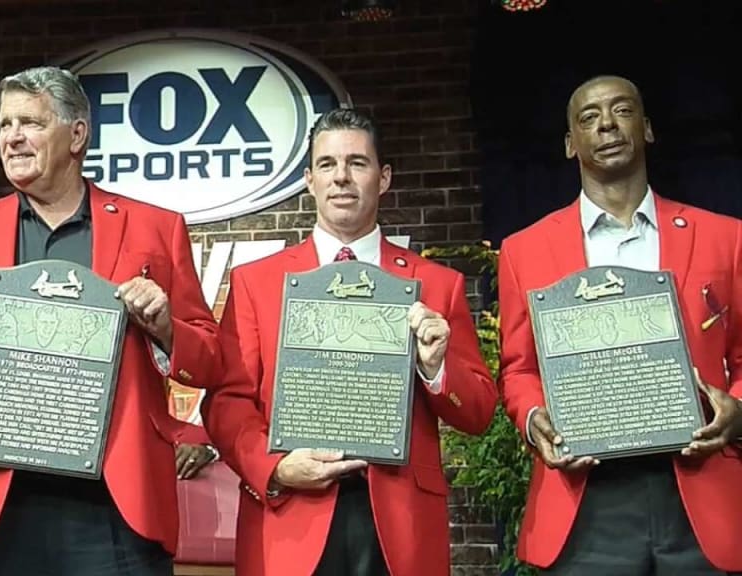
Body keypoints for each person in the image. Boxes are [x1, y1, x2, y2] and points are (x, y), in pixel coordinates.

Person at [0, 66, 222, 575]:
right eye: (3, 125)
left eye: (30, 122)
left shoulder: (156, 229)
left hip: (114, 508)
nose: (12, 137)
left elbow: (210, 360)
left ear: (76, 134)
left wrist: (166, 326)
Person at [201, 107, 498, 576]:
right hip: (291, 518)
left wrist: (437, 368)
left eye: (357, 163)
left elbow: (479, 410)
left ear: (383, 178)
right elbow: (226, 402)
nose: (341, 177)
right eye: (327, 165)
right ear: (308, 180)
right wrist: (274, 467)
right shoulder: (258, 283)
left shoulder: (435, 284)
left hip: (398, 523)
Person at [498, 75, 742, 574]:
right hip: (585, 503)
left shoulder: (726, 237)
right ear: (570, 144)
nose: (606, 124)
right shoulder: (524, 250)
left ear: (647, 129)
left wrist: (740, 409)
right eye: (589, 117)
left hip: (699, 493)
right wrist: (533, 418)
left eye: (622, 110)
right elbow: (518, 371)